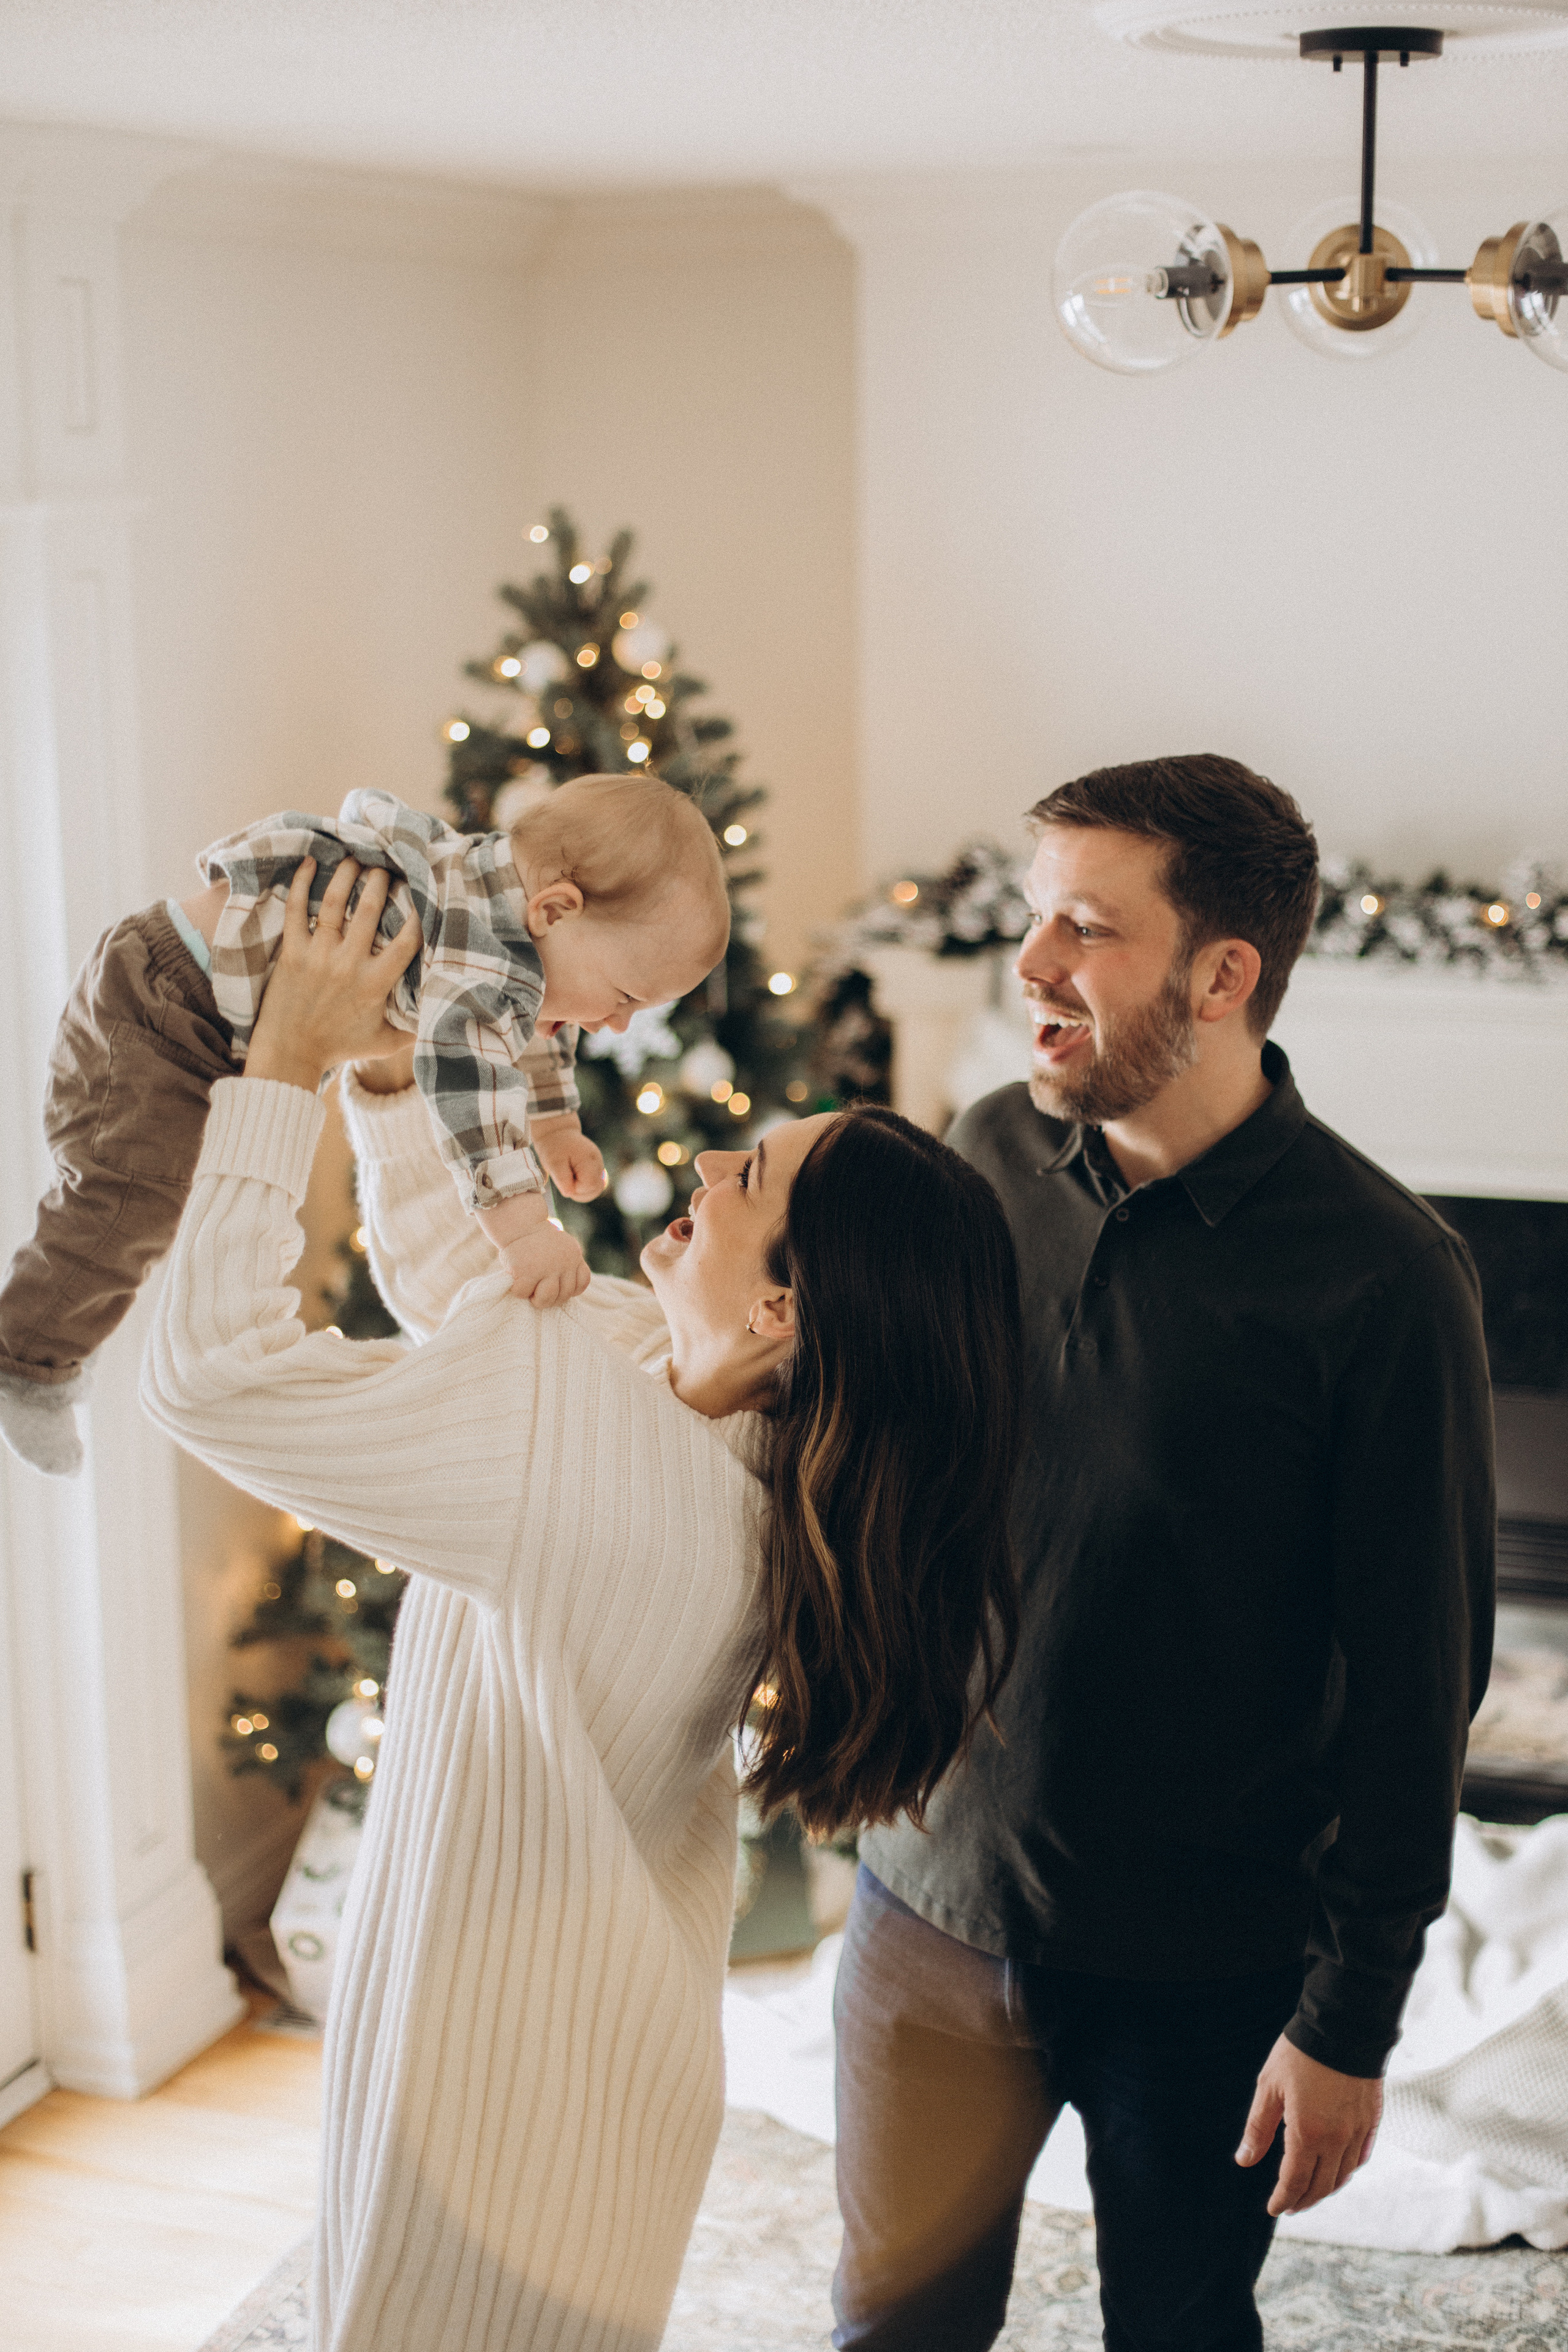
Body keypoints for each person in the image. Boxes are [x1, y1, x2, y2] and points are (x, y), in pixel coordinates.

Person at [139, 852, 1023, 2352]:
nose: (700, 1169)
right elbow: (464, 1285)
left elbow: (207, 1372)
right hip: (597, 2060)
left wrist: (280, 1066)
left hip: (484, 2098)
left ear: (782, 1306)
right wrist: (384, 1067)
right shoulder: (718, 1423)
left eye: (747, 1178)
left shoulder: (589, 1453)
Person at [834, 754, 1496, 2352]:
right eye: (1033, 916)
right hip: (922, 1920)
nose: (1031, 967)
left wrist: (1349, 2023)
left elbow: (1420, 1684)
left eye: (1085, 927)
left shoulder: (1390, 1279)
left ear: (1224, 974)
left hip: (1202, 1978)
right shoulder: (981, 1153)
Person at [0, 771, 729, 1477]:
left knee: (154, 1192)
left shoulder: (506, 920)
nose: (617, 1023)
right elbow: (468, 1086)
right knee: (127, 1202)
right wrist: (523, 1229)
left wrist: (554, 1127)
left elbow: (534, 1031)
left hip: (191, 994)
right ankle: (24, 1362)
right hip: (171, 1004)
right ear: (557, 910)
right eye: (626, 994)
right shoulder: (481, 959)